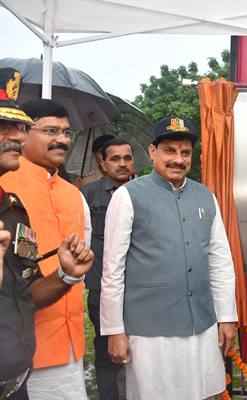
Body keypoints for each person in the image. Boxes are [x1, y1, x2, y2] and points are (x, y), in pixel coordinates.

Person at [101, 117, 237, 399]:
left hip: (201, 322)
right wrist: (115, 330)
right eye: (169, 151)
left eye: (185, 152)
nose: (178, 159)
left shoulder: (206, 197)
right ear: (153, 152)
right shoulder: (128, 196)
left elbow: (220, 261)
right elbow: (112, 269)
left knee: (202, 392)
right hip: (150, 330)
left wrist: (227, 317)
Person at [0, 68, 94, 400]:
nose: (62, 140)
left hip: (68, 341)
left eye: (67, 132)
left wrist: (70, 274)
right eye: (51, 130)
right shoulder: (7, 184)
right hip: (23, 347)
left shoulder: (73, 194)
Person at [80, 138, 134, 400]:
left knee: (140, 352)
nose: (122, 164)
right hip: (101, 290)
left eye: (127, 158)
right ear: (103, 163)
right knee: (106, 352)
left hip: (138, 290)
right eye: (115, 158)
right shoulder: (88, 195)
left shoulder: (143, 192)